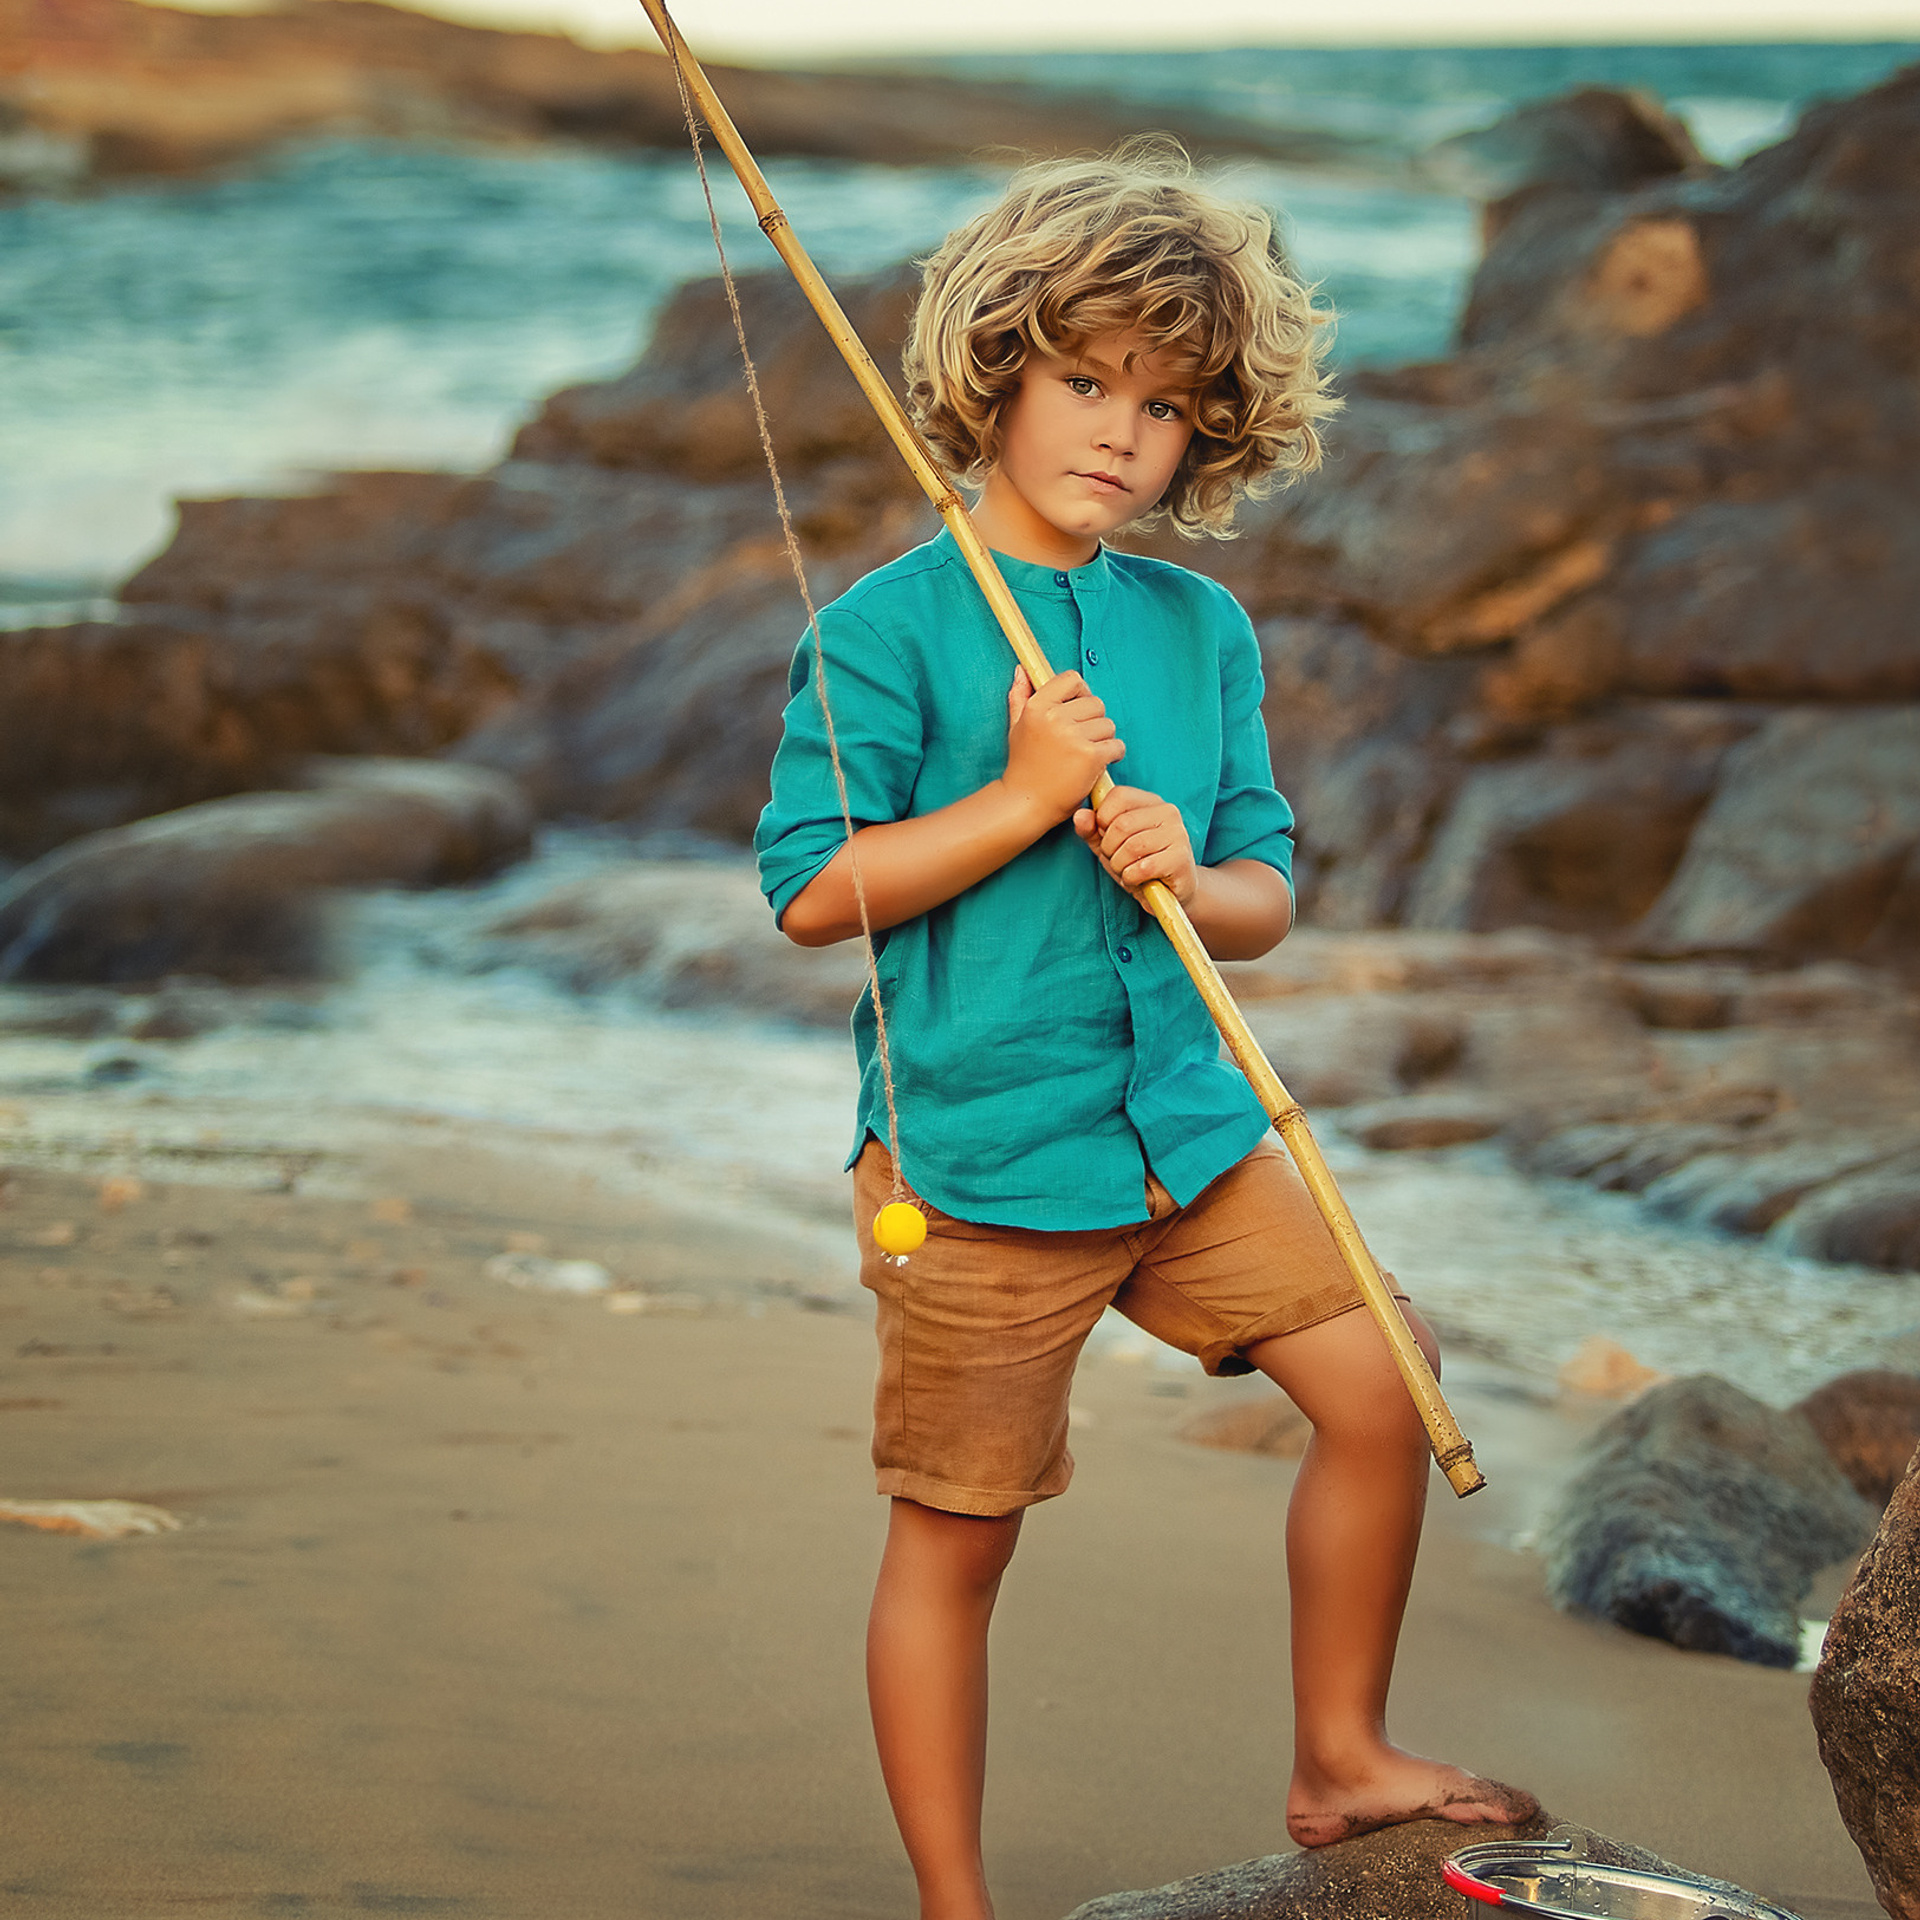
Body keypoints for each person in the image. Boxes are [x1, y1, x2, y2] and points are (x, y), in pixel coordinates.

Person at [754, 141, 1534, 1920]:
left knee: (1383, 1388)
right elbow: (813, 893)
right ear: (995, 373)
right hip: (977, 1154)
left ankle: (1341, 1750)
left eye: (1169, 406)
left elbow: (1263, 888)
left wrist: (1193, 859)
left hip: (1186, 1129)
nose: (1120, 429)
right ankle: (957, 1902)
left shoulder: (1198, 629)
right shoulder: (886, 631)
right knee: (957, 1544)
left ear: (1213, 435)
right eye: (1085, 380)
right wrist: (1027, 796)